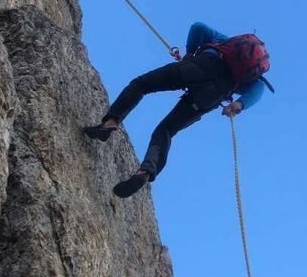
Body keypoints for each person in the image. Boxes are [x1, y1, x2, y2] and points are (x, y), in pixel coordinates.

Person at [84, 22, 270, 198]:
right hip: (211, 96)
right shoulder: (250, 77)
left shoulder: (226, 42)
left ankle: (110, 123)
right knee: (166, 130)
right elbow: (258, 89)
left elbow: (198, 27)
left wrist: (190, 55)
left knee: (141, 85)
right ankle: (146, 170)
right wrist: (239, 105)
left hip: (198, 67)